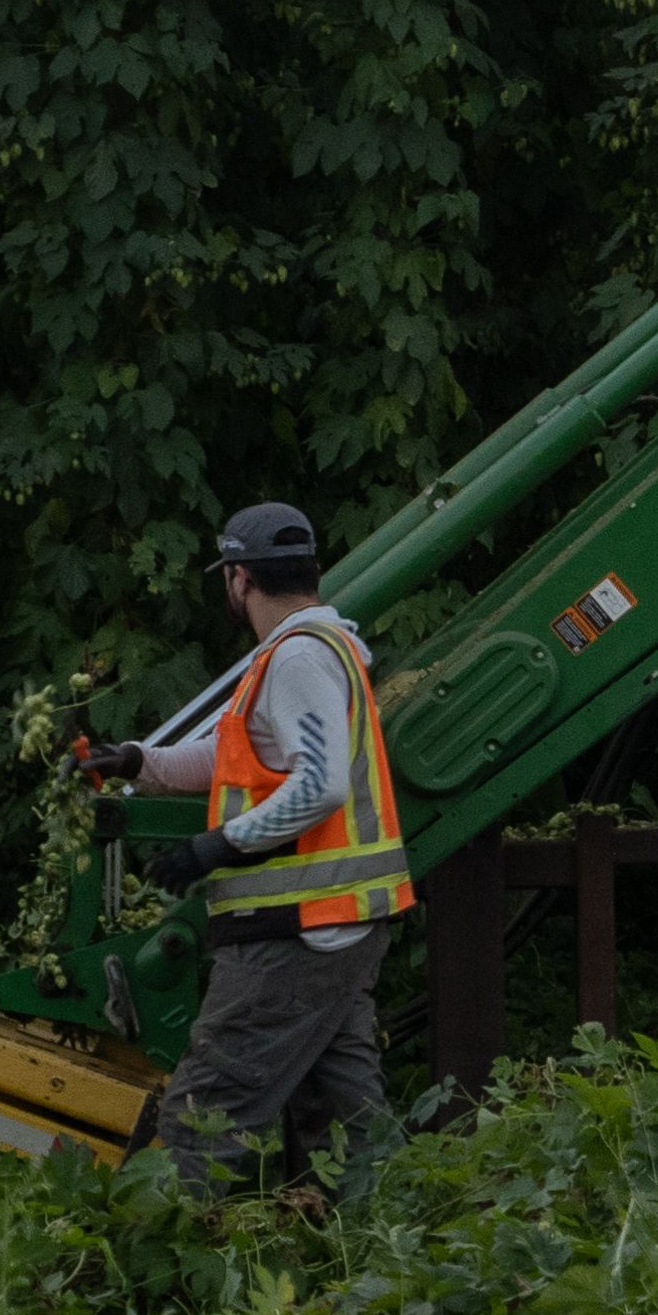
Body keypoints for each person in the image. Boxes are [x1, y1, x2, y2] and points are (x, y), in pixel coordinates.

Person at [103, 499, 410, 1190]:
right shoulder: (307, 654)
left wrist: (216, 848)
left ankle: (149, 1264)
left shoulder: (298, 659)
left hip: (295, 932)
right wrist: (133, 762)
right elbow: (230, 758)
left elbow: (321, 785)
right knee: (345, 1122)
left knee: (206, 1111)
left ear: (238, 579)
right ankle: (383, 1250)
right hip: (332, 923)